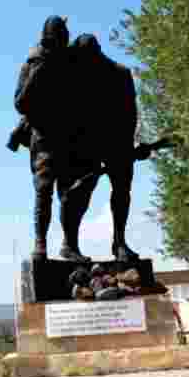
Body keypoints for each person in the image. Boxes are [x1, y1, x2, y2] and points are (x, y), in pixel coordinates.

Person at [14, 16, 90, 261]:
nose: (62, 40)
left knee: (70, 195)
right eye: (58, 36)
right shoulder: (33, 63)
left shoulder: (72, 64)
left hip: (70, 139)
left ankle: (70, 245)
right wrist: (40, 69)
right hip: (43, 138)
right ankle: (41, 244)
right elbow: (20, 103)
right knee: (43, 191)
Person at [66, 33, 140, 263]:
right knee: (81, 192)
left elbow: (131, 112)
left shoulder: (120, 73)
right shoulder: (77, 73)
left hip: (117, 142)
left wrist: (128, 146)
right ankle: (71, 245)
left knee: (121, 192)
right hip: (87, 142)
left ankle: (119, 241)